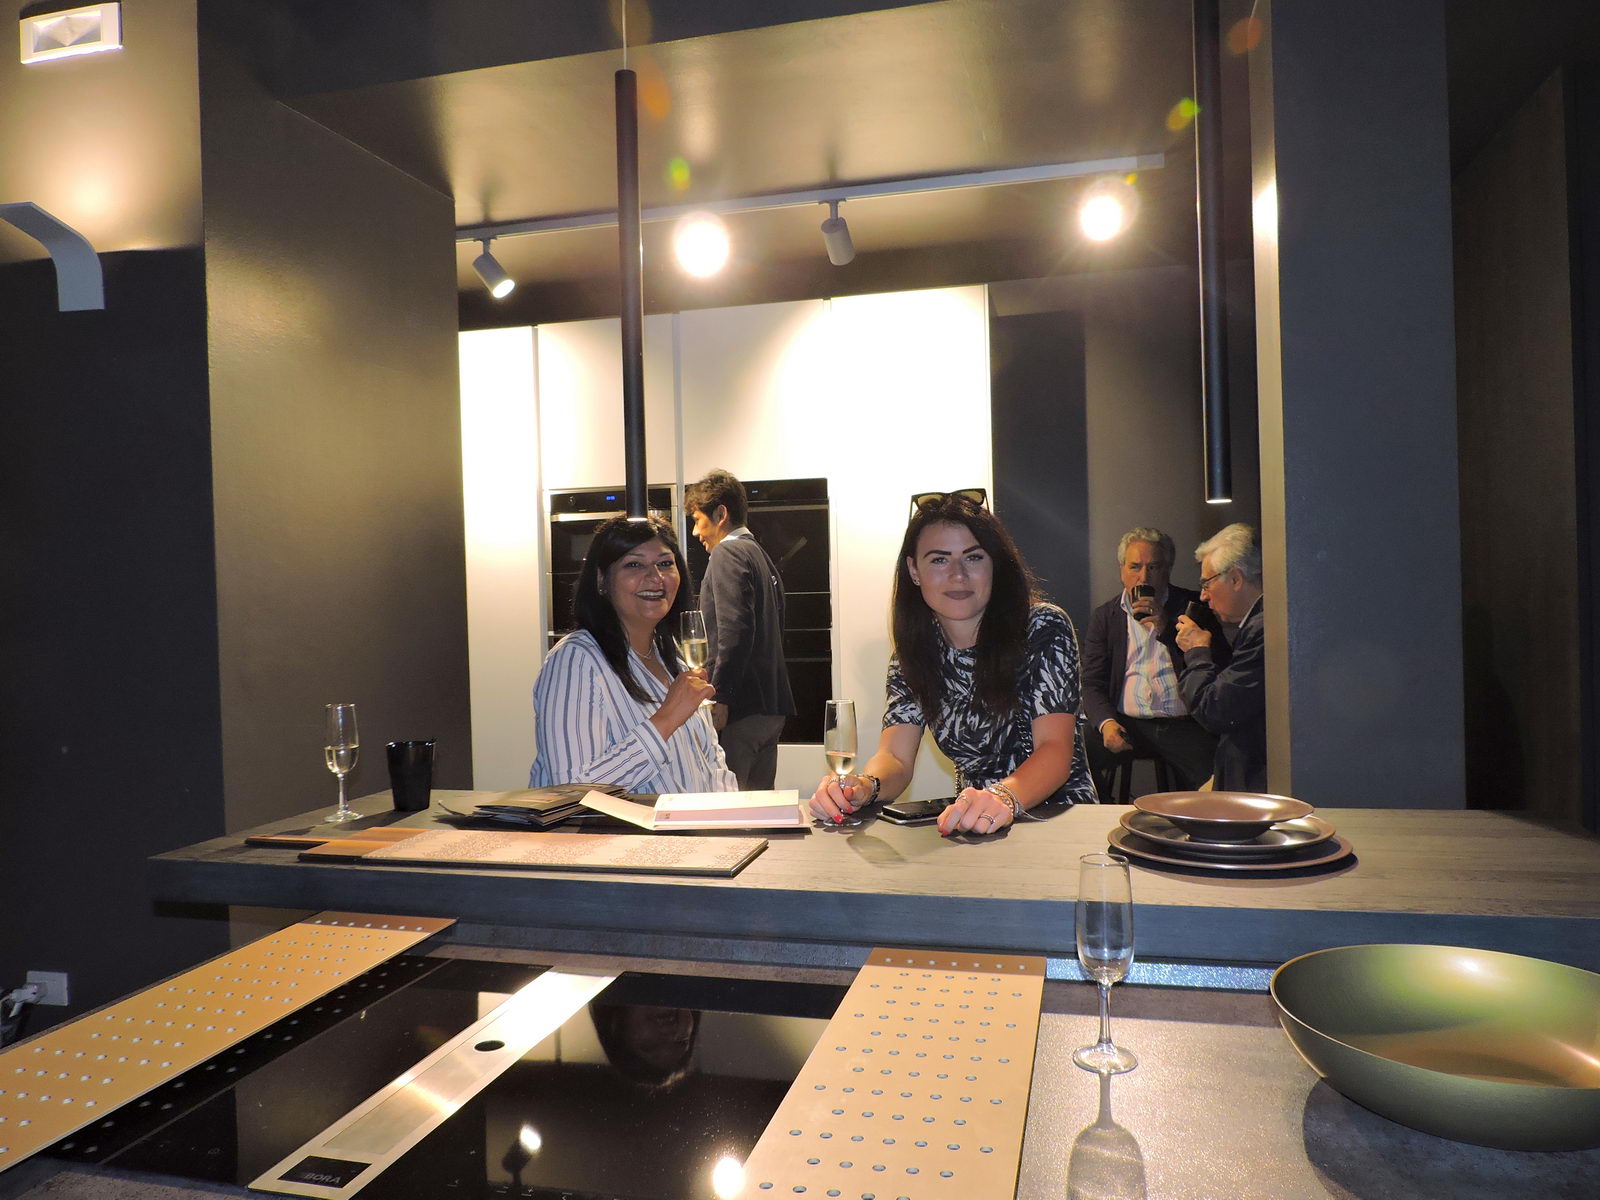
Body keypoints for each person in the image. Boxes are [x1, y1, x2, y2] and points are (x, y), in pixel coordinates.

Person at [809, 492, 1098, 834]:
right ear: (914, 570)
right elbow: (896, 758)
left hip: (1061, 822)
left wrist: (1002, 797)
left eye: (973, 557)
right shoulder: (911, 656)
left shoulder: (1042, 627)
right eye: (939, 560)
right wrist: (864, 786)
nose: (958, 575)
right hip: (975, 827)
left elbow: (1054, 750)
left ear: (994, 565)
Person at [530, 515, 737, 793]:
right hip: (619, 825)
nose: (655, 577)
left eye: (665, 563)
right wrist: (666, 719)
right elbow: (571, 790)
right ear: (602, 580)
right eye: (634, 564)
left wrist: (728, 812)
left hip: (691, 822)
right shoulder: (576, 660)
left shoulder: (674, 661)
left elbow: (711, 763)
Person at [1081, 527, 1229, 794]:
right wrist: (1106, 723)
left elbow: (1219, 665)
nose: (1143, 577)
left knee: (1221, 772)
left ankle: (1187, 817)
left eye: (1154, 567)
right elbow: (1092, 682)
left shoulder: (1194, 607)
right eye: (1134, 567)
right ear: (1122, 569)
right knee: (1073, 754)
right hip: (1127, 721)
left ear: (1168, 569)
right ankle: (1104, 811)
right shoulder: (1105, 616)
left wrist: (1166, 628)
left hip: (1182, 723)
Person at [685, 469, 796, 789]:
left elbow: (735, 630)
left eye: (698, 520)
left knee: (729, 808)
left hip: (741, 709)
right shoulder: (760, 555)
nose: (695, 531)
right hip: (771, 708)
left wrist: (722, 696)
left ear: (721, 514)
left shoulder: (728, 552)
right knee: (759, 807)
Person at [1175, 523, 1267, 792]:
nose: (1203, 596)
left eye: (1207, 583)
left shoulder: (1263, 629)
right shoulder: (1259, 623)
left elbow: (1216, 710)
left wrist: (1196, 653)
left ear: (1236, 578)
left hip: (1256, 782)